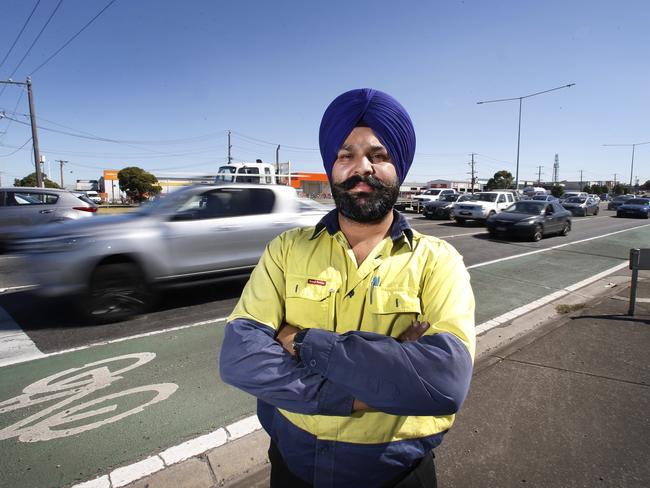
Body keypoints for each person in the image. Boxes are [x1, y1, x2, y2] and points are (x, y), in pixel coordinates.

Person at [220, 88, 475, 488]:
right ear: (331, 166)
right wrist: (384, 379)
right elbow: (239, 357)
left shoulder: (437, 260)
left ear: (399, 167)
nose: (362, 169)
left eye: (379, 155)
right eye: (346, 155)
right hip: (292, 466)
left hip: (397, 474)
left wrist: (300, 341)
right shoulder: (287, 250)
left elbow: (443, 382)